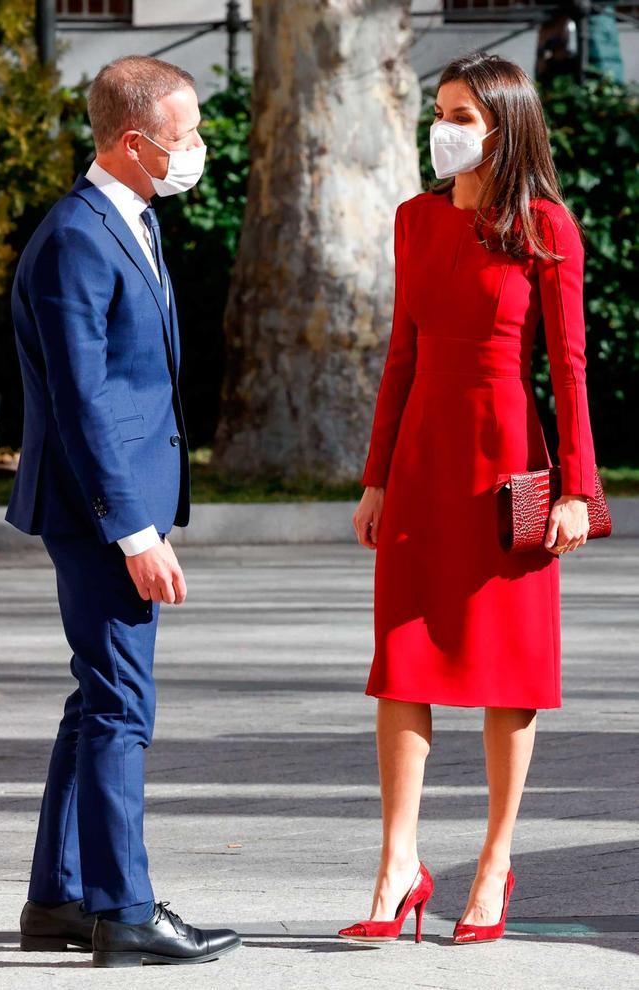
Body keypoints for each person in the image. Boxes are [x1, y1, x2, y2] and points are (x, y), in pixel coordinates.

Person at [341, 52, 598, 946]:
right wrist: (375, 477)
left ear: (502, 126)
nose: (442, 126)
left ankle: (494, 862)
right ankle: (398, 862)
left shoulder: (548, 227)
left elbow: (568, 370)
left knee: (509, 667)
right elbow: (400, 356)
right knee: (402, 660)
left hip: (511, 469)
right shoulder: (414, 220)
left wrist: (579, 491)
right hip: (420, 464)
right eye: (438, 109)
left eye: (459, 113)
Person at [6, 55, 241, 967]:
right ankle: (125, 909)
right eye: (185, 137)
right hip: (101, 513)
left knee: (94, 702)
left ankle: (62, 899)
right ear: (136, 143)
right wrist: (133, 529)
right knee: (119, 709)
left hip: (116, 504)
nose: (197, 151)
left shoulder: (125, 219)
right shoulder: (77, 235)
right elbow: (82, 399)